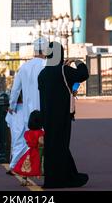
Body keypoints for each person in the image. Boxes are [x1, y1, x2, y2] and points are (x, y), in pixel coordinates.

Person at [38, 42, 90, 189]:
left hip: (47, 116)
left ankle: (66, 176)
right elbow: (83, 74)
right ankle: (61, 179)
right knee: (60, 146)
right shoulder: (63, 70)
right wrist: (77, 62)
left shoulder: (42, 73)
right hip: (62, 115)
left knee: (53, 146)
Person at [6, 38, 46, 175]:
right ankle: (42, 166)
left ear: (34, 50)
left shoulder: (24, 67)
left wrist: (11, 105)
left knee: (26, 139)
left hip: (28, 110)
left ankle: (17, 165)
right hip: (44, 107)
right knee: (44, 138)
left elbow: (15, 89)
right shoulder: (47, 65)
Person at [12, 110, 45, 186]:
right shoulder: (40, 132)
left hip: (30, 151)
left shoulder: (28, 132)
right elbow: (41, 142)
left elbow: (27, 141)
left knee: (26, 164)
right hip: (38, 151)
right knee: (40, 164)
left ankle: (24, 179)